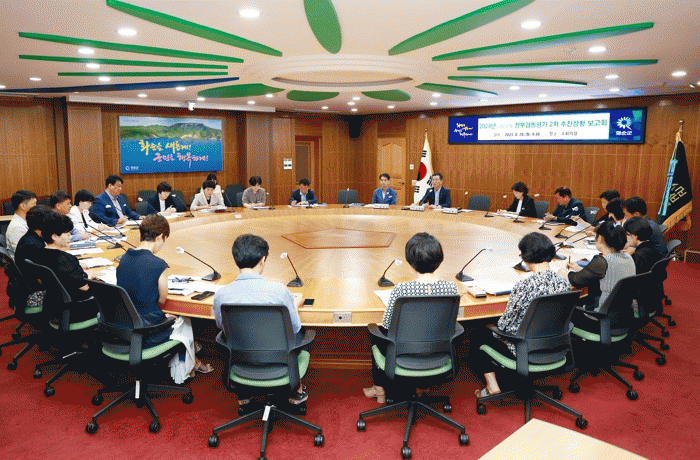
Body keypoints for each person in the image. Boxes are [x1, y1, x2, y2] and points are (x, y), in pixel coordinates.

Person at [363, 232, 459, 403]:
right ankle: (423, 386)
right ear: (440, 258)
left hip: (403, 355)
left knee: (377, 335)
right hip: (438, 354)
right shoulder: (451, 289)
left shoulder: (402, 290)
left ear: (410, 261)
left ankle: (379, 389)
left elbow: (387, 325)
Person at [212, 234, 307, 405]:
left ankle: (244, 392)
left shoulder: (221, 294)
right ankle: (296, 391)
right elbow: (295, 328)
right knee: (303, 334)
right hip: (280, 361)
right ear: (263, 260)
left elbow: (221, 326)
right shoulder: (278, 291)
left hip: (241, 363)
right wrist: (295, 305)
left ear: (235, 259)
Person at [116, 214, 212, 383]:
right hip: (147, 331)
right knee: (183, 320)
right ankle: (188, 366)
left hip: (123, 326)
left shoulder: (123, 259)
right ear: (160, 237)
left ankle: (193, 351)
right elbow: (162, 300)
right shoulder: (158, 264)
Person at [475, 232, 571, 398]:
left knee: (480, 332)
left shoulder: (524, 285)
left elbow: (504, 326)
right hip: (555, 346)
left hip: (524, 349)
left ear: (526, 257)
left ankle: (492, 386)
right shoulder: (564, 283)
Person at [32, 213, 97, 322]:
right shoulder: (65, 259)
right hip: (76, 310)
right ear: (54, 236)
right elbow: (84, 287)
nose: (70, 237)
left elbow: (41, 280)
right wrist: (90, 275)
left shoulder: (39, 254)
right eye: (67, 234)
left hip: (52, 307)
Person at [560, 222, 635, 312]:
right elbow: (605, 276)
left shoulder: (601, 262)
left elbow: (575, 281)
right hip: (624, 312)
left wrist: (564, 273)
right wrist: (580, 269)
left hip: (601, 315)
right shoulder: (628, 257)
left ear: (600, 238)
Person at [14, 206, 56, 308]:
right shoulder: (33, 245)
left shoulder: (32, 238)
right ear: (43, 224)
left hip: (30, 289)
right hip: (34, 294)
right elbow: (44, 278)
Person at [5, 189, 37, 259]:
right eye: (34, 204)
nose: (36, 207)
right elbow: (24, 254)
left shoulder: (27, 221)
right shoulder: (16, 228)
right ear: (23, 206)